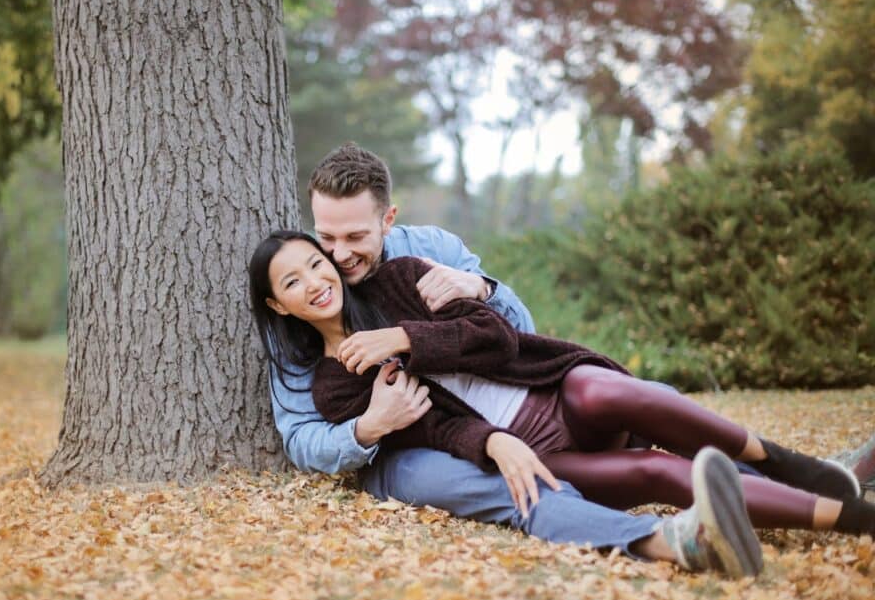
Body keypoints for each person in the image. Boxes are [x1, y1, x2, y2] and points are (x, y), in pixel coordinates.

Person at [249, 230, 875, 547]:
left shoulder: (401, 279)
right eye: (293, 281)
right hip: (533, 450)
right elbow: (434, 430)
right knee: (657, 474)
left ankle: (783, 462)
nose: (315, 281)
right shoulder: (335, 389)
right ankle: (850, 517)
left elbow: (497, 336)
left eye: (315, 263)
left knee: (620, 395)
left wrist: (404, 336)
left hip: (551, 390)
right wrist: (492, 442)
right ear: (278, 305)